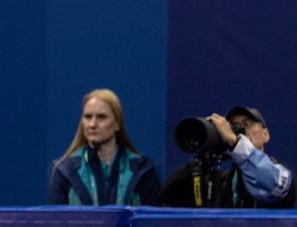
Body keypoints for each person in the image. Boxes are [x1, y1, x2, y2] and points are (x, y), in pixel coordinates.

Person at [161, 105, 294, 209]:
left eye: (247, 123)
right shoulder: (221, 182)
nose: (240, 130)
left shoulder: (278, 173)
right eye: (232, 126)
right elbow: (168, 195)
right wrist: (203, 159)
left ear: (266, 134)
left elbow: (273, 183)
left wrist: (236, 143)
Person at [47, 88, 159, 206]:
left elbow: (152, 222)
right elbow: (54, 223)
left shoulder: (142, 170)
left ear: (117, 123)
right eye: (88, 117)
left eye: (101, 117)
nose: (92, 124)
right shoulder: (65, 171)